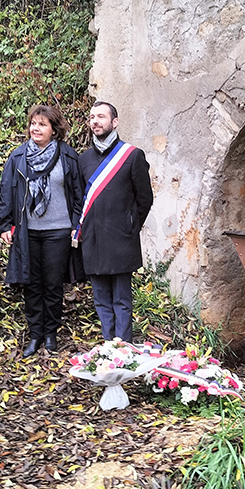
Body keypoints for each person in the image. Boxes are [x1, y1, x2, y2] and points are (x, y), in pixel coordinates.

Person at [0, 105, 84, 357]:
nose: (36, 128)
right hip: (28, 231)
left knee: (53, 283)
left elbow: (78, 194)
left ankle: (51, 333)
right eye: (33, 123)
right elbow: (7, 192)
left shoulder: (68, 156)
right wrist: (4, 224)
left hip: (58, 230)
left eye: (42, 124)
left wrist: (76, 224)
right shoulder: (18, 157)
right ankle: (35, 334)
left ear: (55, 130)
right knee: (31, 283)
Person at [77, 101, 153, 342]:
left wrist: (129, 225)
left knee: (121, 300)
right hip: (93, 240)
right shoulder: (83, 160)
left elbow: (145, 199)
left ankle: (124, 350)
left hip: (122, 240)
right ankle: (108, 348)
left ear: (114, 122)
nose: (95, 121)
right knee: (100, 300)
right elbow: (80, 200)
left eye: (101, 116)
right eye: (91, 117)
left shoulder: (132, 155)